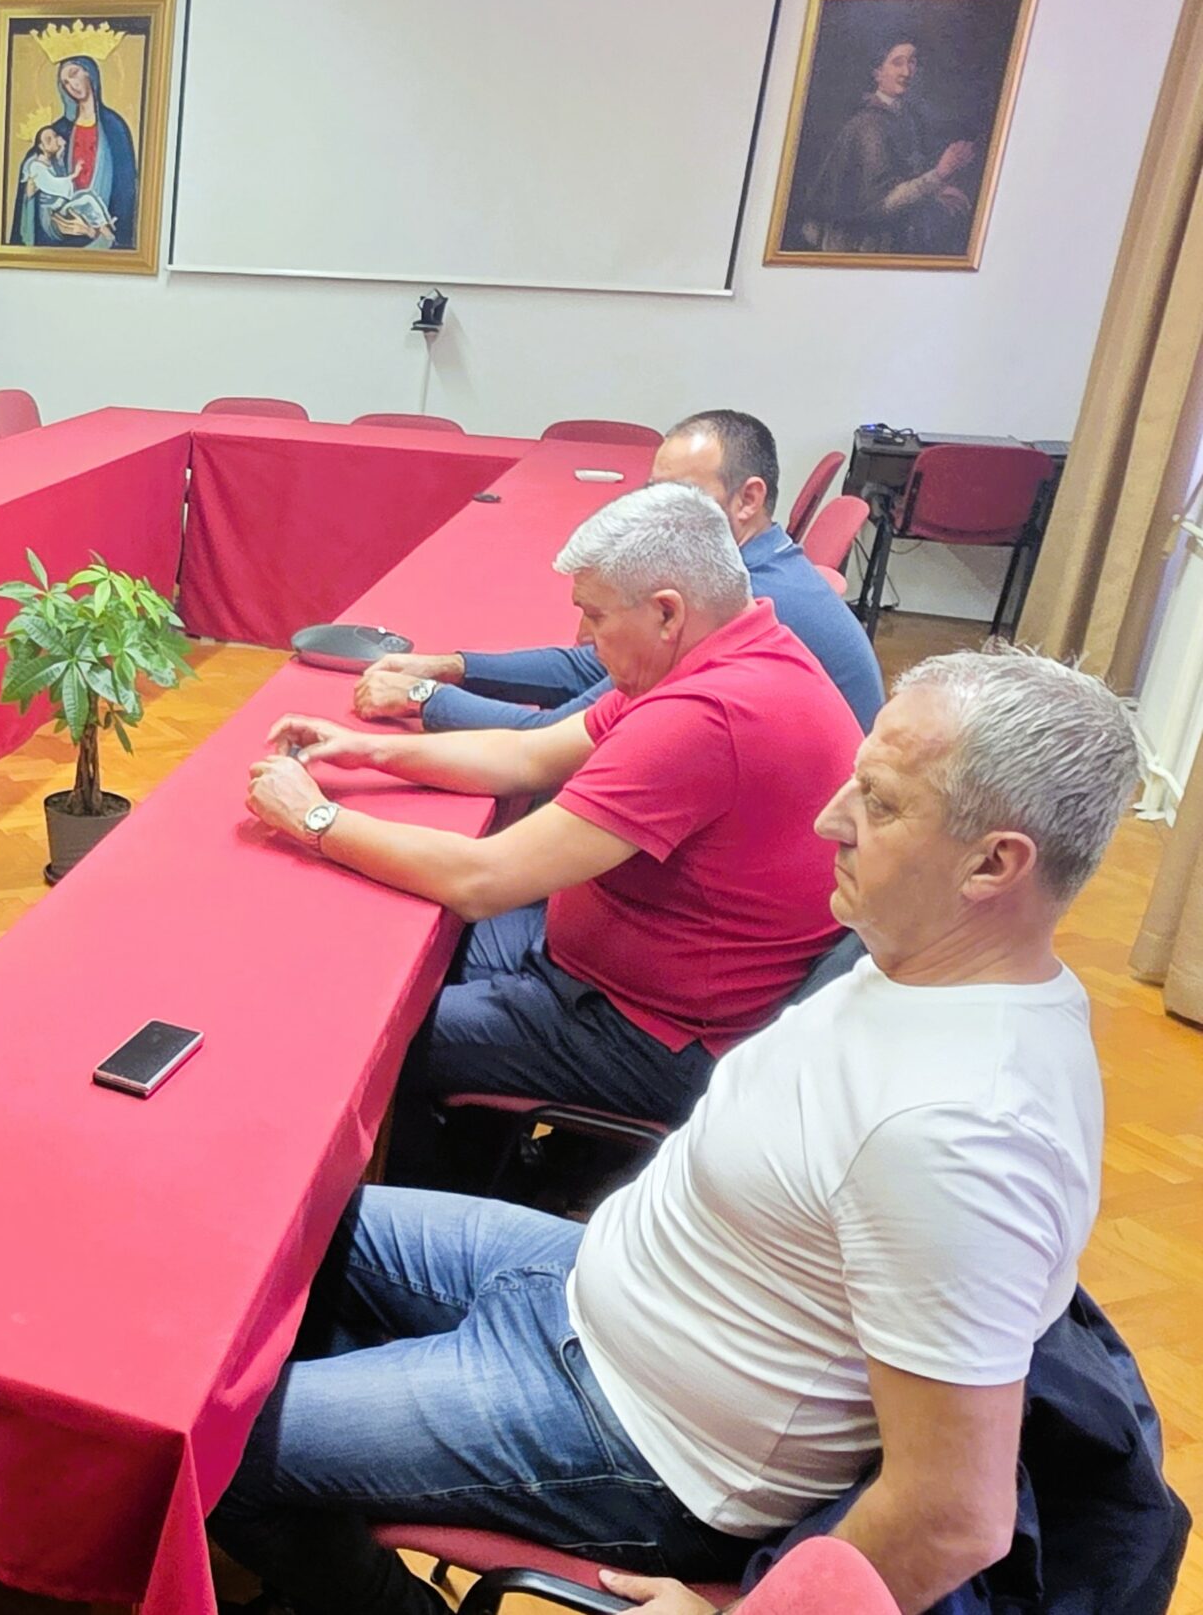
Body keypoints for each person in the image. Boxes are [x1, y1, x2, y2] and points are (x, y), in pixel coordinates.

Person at [211, 646, 1138, 1615]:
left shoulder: (958, 1133)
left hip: (640, 1436)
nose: (831, 819)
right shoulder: (939, 959)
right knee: (267, 1233)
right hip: (589, 1286)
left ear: (993, 864)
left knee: (212, 1446)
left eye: (880, 802)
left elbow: (953, 1514)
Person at [243, 483, 861, 1183]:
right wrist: (366, 750)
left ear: (666, 612)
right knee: (390, 953)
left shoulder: (706, 716)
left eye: (595, 615)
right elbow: (527, 756)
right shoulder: (728, 649)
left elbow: (482, 879)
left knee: (374, 1035)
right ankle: (479, 1165)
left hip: (649, 1033)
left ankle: (415, 1214)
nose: (584, 638)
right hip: (615, 966)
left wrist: (315, 819)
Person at [357, 410, 886, 731]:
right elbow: (592, 669)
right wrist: (450, 667)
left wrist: (423, 698)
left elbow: (556, 733)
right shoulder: (748, 568)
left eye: (680, 496)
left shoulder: (742, 602)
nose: (658, 512)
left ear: (749, 499)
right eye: (653, 493)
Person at [795, 39, 979, 257]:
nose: (907, 72)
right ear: (877, 73)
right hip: (858, 246)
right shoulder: (868, 125)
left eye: (912, 62)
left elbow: (904, 178)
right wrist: (939, 175)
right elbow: (881, 204)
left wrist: (937, 191)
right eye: (897, 63)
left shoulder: (907, 118)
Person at [10, 54, 137, 250]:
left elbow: (126, 191)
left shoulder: (115, 128)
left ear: (89, 73)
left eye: (74, 74)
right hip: (61, 232)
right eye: (65, 83)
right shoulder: (58, 132)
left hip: (101, 241)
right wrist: (31, 188)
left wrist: (92, 230)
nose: (72, 85)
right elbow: (36, 176)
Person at [18, 126, 117, 246]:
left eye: (55, 136)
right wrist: (74, 175)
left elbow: (63, 183)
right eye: (49, 140)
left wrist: (61, 153)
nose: (55, 140)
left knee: (88, 195)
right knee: (86, 200)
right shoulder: (36, 166)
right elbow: (53, 185)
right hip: (52, 217)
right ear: (41, 147)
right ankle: (104, 230)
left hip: (62, 207)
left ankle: (105, 225)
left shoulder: (52, 161)